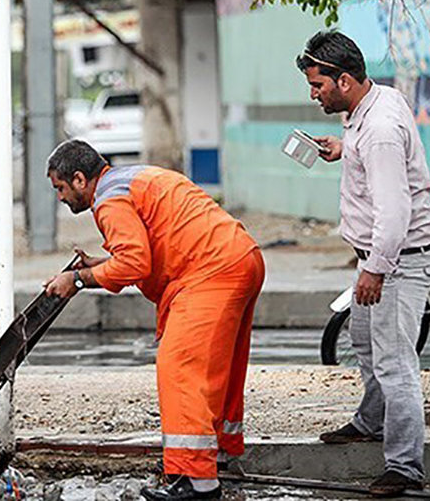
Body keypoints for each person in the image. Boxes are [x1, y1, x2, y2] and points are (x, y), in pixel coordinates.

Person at [43, 140, 265, 501]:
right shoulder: (131, 179)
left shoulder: (108, 201)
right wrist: (99, 265)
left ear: (80, 179)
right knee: (218, 370)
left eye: (60, 188)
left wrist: (78, 280)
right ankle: (218, 457)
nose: (61, 198)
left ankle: (198, 483)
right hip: (240, 257)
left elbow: (134, 263)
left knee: (180, 368)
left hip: (209, 271)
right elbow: (152, 244)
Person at [296, 31, 430, 497]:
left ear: (343, 81)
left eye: (317, 85)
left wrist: (375, 269)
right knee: (363, 339)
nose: (313, 93)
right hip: (380, 259)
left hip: (396, 262)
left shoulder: (377, 130)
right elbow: (376, 155)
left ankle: (404, 467)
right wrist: (344, 149)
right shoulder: (373, 105)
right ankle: (370, 420)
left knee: (396, 362)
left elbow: (394, 211)